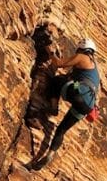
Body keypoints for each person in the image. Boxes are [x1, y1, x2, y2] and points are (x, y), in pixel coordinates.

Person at [36, 36, 100, 166]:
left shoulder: (82, 56)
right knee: (61, 130)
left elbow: (59, 64)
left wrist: (51, 53)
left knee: (57, 80)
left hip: (78, 93)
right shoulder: (94, 68)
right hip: (87, 107)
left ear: (82, 48)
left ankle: (54, 107)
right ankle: (50, 154)